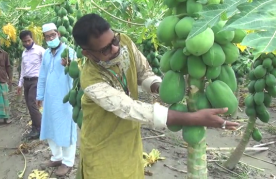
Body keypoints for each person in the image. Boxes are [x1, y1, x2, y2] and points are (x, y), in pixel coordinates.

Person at [71, 14, 239, 179]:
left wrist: (160, 87)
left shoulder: (124, 43)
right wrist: (194, 118)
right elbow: (130, 108)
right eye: (105, 49)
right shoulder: (91, 80)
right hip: (103, 142)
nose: (115, 49)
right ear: (88, 54)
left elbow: (143, 72)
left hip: (129, 136)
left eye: (114, 40)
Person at [36, 23, 77, 177]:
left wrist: (71, 63)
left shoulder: (69, 52)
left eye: (53, 35)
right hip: (49, 97)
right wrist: (39, 96)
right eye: (48, 36)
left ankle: (68, 162)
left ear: (58, 34)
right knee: (50, 126)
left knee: (66, 128)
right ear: (44, 38)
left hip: (65, 98)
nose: (51, 38)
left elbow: (78, 71)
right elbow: (42, 76)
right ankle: (56, 157)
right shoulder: (46, 54)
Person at [17, 30, 45, 140]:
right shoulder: (24, 53)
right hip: (27, 81)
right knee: (29, 105)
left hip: (36, 80)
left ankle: (39, 129)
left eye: (29, 40)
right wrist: (20, 84)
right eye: (25, 41)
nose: (27, 43)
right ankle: (35, 128)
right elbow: (23, 70)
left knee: (33, 104)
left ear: (32, 39)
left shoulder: (40, 50)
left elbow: (46, 66)